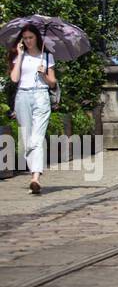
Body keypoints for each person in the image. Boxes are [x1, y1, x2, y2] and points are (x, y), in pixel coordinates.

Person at [9, 24, 57, 194]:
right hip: (23, 96)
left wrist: (44, 74)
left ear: (37, 37)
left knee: (37, 137)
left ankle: (35, 177)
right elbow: (14, 79)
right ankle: (34, 173)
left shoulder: (46, 56)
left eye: (31, 37)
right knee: (27, 137)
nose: (28, 41)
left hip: (41, 96)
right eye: (26, 38)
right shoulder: (20, 56)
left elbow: (53, 82)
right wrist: (20, 55)